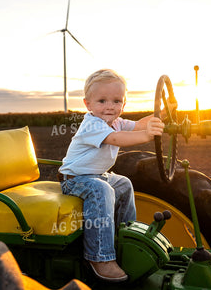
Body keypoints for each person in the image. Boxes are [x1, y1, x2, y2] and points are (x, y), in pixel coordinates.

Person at [58, 69, 165, 282]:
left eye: (116, 101)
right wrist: (146, 135)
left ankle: (126, 238)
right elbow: (116, 139)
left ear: (124, 104)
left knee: (123, 184)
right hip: (75, 180)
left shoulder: (115, 121)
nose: (110, 106)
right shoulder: (92, 125)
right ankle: (100, 256)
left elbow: (140, 124)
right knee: (102, 189)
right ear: (88, 104)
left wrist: (163, 112)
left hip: (96, 176)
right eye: (102, 101)